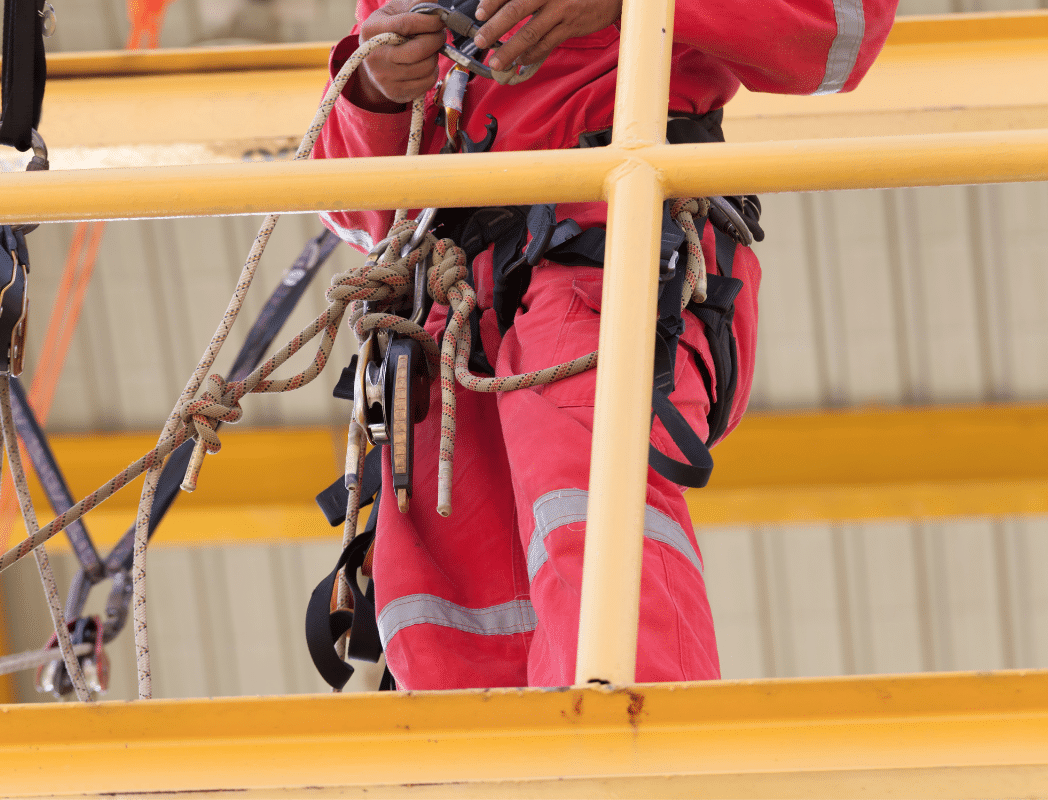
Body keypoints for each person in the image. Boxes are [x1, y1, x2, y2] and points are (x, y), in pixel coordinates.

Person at [313, 0, 899, 689]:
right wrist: (373, 90)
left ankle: (635, 742)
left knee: (585, 479)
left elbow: (841, 27)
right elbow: (361, 207)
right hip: (449, 303)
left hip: (607, 244)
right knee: (438, 568)